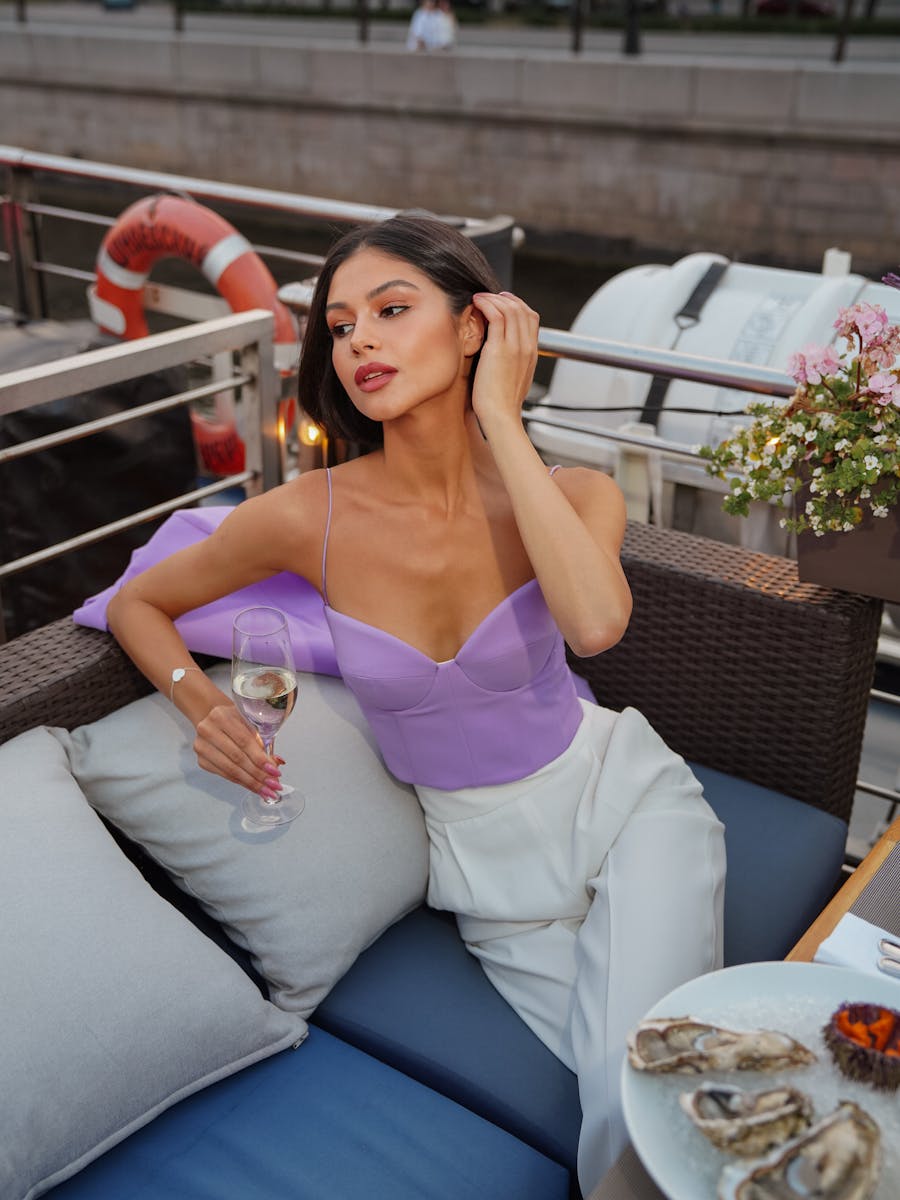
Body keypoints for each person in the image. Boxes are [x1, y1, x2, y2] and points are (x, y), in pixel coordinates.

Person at [106, 214, 726, 1196]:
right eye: (341, 326)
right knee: (665, 1091)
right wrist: (198, 704)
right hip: (492, 884)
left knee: (656, 1086)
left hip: (626, 805)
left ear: (476, 326)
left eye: (392, 311)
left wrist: (508, 428)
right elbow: (143, 600)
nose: (358, 343)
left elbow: (597, 623)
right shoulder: (309, 515)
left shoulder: (579, 492)